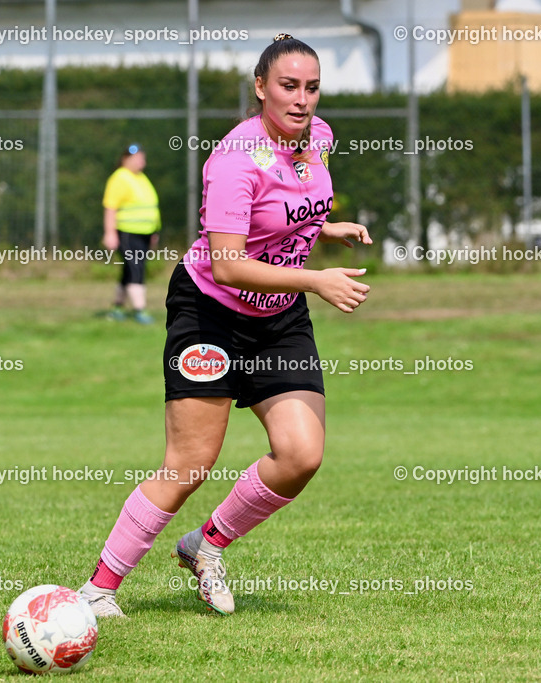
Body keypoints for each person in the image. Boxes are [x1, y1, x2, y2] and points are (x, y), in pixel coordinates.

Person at [79, 34, 372, 617]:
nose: (302, 99)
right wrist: (317, 279)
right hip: (211, 310)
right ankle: (98, 590)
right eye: (288, 86)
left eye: (312, 87)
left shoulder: (320, 138)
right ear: (260, 87)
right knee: (189, 463)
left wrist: (320, 230)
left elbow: (296, 205)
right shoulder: (235, 159)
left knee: (301, 455)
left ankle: (204, 546)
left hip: (277, 314)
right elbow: (229, 262)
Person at [102, 143, 161, 324]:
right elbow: (110, 207)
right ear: (125, 159)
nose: (141, 161)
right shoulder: (120, 178)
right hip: (128, 232)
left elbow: (150, 206)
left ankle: (117, 307)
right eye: (137, 158)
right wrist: (109, 233)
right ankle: (140, 309)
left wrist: (154, 231)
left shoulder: (141, 178)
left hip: (144, 232)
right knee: (136, 268)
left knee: (129, 269)